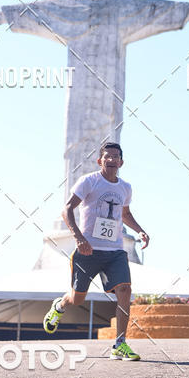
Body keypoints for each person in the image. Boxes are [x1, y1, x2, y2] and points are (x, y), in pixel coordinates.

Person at [43, 143, 149, 360]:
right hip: (88, 251)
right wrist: (79, 238)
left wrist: (140, 231)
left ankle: (120, 344)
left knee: (125, 290)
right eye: (107, 157)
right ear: (100, 161)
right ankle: (59, 305)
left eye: (116, 157)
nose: (111, 160)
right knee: (77, 299)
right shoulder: (89, 182)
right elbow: (67, 209)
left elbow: (125, 213)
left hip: (115, 251)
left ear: (121, 162)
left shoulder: (125, 188)